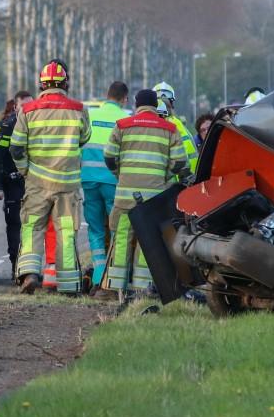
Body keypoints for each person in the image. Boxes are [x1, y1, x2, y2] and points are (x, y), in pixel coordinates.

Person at [95, 89, 189, 301]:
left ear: (137, 105)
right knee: (148, 243)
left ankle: (117, 288)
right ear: (156, 106)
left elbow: (109, 156)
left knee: (121, 239)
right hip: (154, 199)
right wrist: (168, 175)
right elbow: (180, 163)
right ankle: (142, 290)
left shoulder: (122, 125)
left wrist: (119, 173)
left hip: (126, 194)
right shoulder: (170, 129)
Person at [10, 59, 92, 296]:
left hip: (37, 183)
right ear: (66, 83)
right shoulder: (78, 109)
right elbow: (84, 137)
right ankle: (67, 285)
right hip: (67, 185)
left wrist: (26, 170)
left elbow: (16, 147)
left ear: (41, 84)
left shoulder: (28, 110)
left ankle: (30, 274)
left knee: (32, 227)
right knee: (66, 231)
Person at [81, 81, 129, 285]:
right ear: (124, 99)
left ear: (106, 95)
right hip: (112, 182)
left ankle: (99, 273)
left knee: (95, 229)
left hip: (89, 179)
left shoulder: (90, 115)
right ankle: (115, 276)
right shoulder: (125, 119)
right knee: (117, 229)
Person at [0, 90, 33, 282]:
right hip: (13, 181)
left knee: (33, 225)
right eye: (23, 106)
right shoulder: (6, 126)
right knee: (15, 224)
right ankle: (16, 264)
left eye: (30, 106)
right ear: (15, 107)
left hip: (35, 182)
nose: (27, 110)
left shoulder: (39, 124)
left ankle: (31, 268)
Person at [153, 81, 199, 175]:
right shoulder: (178, 123)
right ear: (172, 102)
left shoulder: (158, 124)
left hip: (176, 181)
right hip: (190, 178)